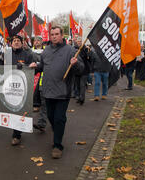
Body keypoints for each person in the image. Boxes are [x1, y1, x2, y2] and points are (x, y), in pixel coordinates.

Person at [29, 26, 84, 159]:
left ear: (62, 35)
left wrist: (75, 64)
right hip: (47, 91)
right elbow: (42, 66)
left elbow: (81, 69)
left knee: (59, 118)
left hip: (62, 92)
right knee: (51, 117)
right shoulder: (46, 51)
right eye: (52, 34)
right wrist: (35, 67)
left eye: (56, 34)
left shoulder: (71, 51)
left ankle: (57, 145)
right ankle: (58, 130)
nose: (54, 36)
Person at [10, 35, 35, 145]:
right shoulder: (6, 54)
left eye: (18, 41)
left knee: (18, 109)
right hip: (8, 86)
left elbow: (32, 68)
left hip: (21, 87)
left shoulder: (27, 54)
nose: (16, 42)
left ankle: (16, 135)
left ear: (22, 43)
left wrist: (26, 66)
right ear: (11, 43)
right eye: (14, 41)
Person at [73, 36, 91, 105]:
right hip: (77, 70)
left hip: (84, 70)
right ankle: (79, 96)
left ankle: (82, 98)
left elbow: (89, 58)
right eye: (78, 42)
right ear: (76, 42)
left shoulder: (85, 49)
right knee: (77, 85)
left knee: (82, 85)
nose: (79, 43)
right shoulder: (74, 49)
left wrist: (87, 52)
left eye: (80, 41)